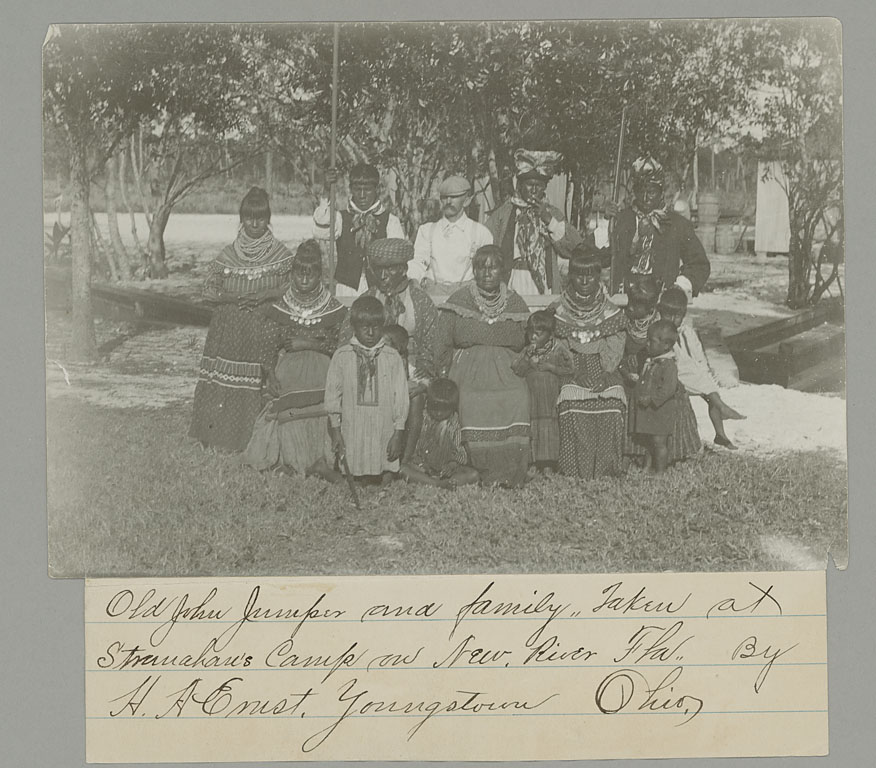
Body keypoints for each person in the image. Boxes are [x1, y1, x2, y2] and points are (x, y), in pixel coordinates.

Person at [190, 187, 295, 452]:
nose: (255, 223)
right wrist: (232, 298)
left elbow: (293, 288)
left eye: (260, 217)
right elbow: (208, 292)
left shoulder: (281, 256)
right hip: (229, 331)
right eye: (249, 217)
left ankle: (253, 439)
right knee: (226, 379)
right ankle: (219, 437)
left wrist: (264, 295)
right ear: (241, 218)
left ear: (268, 218)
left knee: (257, 380)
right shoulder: (228, 255)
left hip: (263, 330)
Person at [242, 240, 347, 478]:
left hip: (324, 367)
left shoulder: (334, 308)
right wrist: (269, 374)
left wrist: (310, 344)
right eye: (299, 273)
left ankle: (322, 458)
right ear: (292, 274)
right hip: (288, 368)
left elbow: (340, 346)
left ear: (320, 274)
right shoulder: (280, 307)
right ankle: (292, 458)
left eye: (310, 274)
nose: (304, 279)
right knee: (289, 398)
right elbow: (268, 344)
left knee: (324, 400)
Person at [435, 244, 531, 486]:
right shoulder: (459, 299)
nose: (486, 273)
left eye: (493, 267)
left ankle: (511, 470)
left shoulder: (515, 302)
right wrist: (441, 372)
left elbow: (529, 339)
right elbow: (442, 340)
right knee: (468, 398)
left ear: (504, 271)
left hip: (506, 370)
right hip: (469, 368)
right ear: (474, 271)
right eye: (480, 267)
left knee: (518, 396)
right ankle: (476, 468)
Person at [550, 248, 628, 479]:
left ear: (599, 277)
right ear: (570, 276)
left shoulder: (610, 311)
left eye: (591, 275)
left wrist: (605, 372)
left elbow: (615, 344)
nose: (584, 281)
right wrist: (574, 372)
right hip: (571, 366)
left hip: (604, 365)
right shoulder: (559, 309)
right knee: (572, 400)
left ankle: (606, 470)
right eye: (578, 275)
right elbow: (559, 346)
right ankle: (576, 469)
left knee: (612, 400)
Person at [324, 296, 409, 482]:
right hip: (353, 424)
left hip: (383, 423)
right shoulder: (342, 356)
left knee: (385, 467)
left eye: (376, 327)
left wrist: (398, 431)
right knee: (353, 469)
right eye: (365, 327)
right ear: (354, 327)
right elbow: (332, 396)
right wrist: (336, 431)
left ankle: (384, 477)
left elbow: (401, 396)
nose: (371, 333)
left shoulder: (392, 357)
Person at [608, 157, 711, 300]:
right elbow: (596, 256)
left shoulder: (677, 225)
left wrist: (679, 287)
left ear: (661, 192)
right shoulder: (621, 220)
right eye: (640, 191)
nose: (645, 198)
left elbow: (699, 264)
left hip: (660, 302)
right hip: (624, 299)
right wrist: (607, 225)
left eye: (651, 192)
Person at [487, 148, 585, 295]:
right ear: (519, 185)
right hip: (511, 279)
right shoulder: (504, 213)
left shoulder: (553, 213)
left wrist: (549, 221)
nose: (533, 190)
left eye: (538, 185)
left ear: (544, 188)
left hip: (543, 282)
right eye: (529, 184)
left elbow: (575, 247)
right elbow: (486, 245)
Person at [658, 286, 745, 449]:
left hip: (688, 371)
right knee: (708, 389)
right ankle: (722, 407)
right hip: (673, 370)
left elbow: (698, 355)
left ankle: (720, 434)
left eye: (677, 316)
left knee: (710, 388)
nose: (671, 319)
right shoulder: (661, 330)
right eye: (667, 314)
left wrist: (704, 373)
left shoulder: (685, 331)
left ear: (683, 316)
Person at [347, 238, 440, 382]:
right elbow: (348, 337)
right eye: (378, 269)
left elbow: (433, 341)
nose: (382, 276)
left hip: (411, 369)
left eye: (390, 268)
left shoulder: (420, 301)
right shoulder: (367, 298)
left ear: (404, 269)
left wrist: (424, 369)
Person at [312, 163, 405, 296]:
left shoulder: (390, 221)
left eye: (367, 189)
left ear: (377, 189)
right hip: (346, 290)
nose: (362, 195)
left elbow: (398, 260)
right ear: (350, 189)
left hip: (380, 290)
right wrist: (327, 190)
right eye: (357, 189)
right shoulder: (340, 218)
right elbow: (320, 230)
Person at [511, 310, 575, 473]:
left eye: (538, 334)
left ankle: (548, 463)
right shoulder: (527, 350)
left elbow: (570, 370)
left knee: (548, 427)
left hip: (549, 397)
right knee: (533, 426)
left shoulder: (559, 349)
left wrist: (551, 367)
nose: (533, 338)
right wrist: (527, 359)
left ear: (550, 334)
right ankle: (533, 462)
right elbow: (518, 370)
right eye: (531, 333)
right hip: (532, 398)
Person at [409, 175, 493, 287]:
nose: (448, 201)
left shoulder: (481, 233)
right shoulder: (427, 231)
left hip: (466, 297)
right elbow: (418, 263)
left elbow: (487, 270)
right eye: (444, 197)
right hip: (433, 295)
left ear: (466, 201)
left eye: (454, 197)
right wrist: (413, 281)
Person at [400, 378, 480, 489]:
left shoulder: (454, 423)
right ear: (428, 403)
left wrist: (452, 465)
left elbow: (461, 454)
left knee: (473, 475)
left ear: (452, 407)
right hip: (423, 468)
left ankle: (440, 482)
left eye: (444, 409)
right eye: (434, 408)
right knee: (403, 469)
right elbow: (415, 448)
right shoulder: (423, 419)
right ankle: (436, 484)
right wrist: (422, 464)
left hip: (447, 470)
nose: (438, 413)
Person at [630, 320, 681, 473]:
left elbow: (668, 389)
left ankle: (660, 471)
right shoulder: (652, 362)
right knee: (649, 442)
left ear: (665, 345)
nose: (647, 344)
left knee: (659, 443)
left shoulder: (668, 365)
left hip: (660, 411)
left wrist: (652, 399)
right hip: (650, 411)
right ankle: (646, 467)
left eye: (651, 341)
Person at [619, 275, 661, 384]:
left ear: (650, 308)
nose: (630, 307)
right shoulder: (625, 318)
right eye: (630, 302)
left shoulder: (657, 325)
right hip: (624, 368)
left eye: (636, 306)